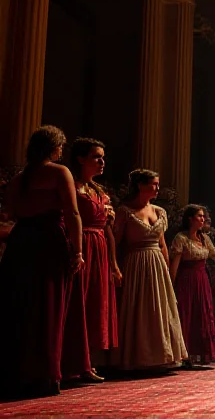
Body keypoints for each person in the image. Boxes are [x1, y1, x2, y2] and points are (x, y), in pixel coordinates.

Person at [0, 126, 84, 397]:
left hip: (21, 241)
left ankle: (17, 373)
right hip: (48, 241)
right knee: (49, 306)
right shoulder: (59, 172)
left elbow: (11, 213)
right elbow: (72, 212)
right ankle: (44, 376)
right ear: (55, 148)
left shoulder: (18, 179)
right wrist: (78, 250)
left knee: (19, 307)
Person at [114, 169, 187, 370]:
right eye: (153, 184)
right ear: (140, 185)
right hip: (135, 262)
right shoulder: (125, 211)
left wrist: (167, 268)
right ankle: (138, 357)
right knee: (139, 308)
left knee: (160, 307)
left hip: (156, 261)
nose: (157, 188)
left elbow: (162, 243)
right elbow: (115, 241)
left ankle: (161, 356)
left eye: (157, 184)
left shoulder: (159, 211)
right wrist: (115, 266)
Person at [61, 138, 119, 382]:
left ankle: (87, 362)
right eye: (97, 156)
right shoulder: (71, 185)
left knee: (96, 303)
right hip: (81, 243)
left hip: (100, 248)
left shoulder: (98, 190)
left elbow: (108, 229)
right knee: (78, 303)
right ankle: (68, 363)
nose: (102, 161)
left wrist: (114, 263)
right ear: (80, 159)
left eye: (103, 157)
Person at [170, 205, 215, 366]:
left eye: (204, 216)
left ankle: (201, 353)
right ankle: (185, 354)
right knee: (187, 313)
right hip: (187, 280)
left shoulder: (204, 238)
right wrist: (170, 285)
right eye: (199, 216)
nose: (203, 219)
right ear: (190, 219)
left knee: (203, 314)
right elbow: (175, 264)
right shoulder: (181, 238)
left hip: (202, 280)